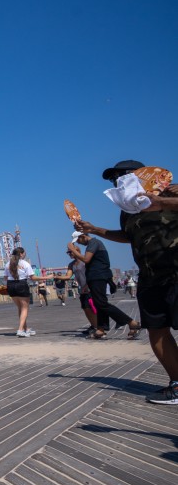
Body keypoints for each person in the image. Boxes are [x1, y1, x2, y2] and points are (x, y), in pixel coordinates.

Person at [75, 159, 178, 404]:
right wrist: (95, 229)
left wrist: (161, 201)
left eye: (122, 177)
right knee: (156, 329)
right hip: (150, 277)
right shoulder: (127, 210)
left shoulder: (171, 190)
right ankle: (176, 383)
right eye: (114, 180)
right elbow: (128, 236)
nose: (117, 183)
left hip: (176, 271)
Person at [69, 232, 140, 340]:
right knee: (99, 303)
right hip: (95, 276)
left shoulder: (94, 242)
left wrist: (73, 249)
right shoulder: (92, 244)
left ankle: (131, 322)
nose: (78, 243)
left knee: (101, 303)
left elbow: (86, 259)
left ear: (82, 236)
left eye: (78, 240)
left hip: (98, 276)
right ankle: (101, 329)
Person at [4, 247, 52, 337]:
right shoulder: (25, 263)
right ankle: (20, 330)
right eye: (24, 253)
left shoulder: (8, 264)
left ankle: (25, 329)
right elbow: (33, 278)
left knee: (20, 308)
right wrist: (47, 277)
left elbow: (5, 278)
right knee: (25, 308)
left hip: (10, 285)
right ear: (21, 254)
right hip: (21, 284)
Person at [56, 242, 97, 335]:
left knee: (92, 308)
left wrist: (88, 285)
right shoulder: (71, 264)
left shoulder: (85, 261)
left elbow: (92, 273)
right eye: (68, 253)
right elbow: (68, 276)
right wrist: (56, 276)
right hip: (83, 289)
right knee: (85, 308)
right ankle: (93, 325)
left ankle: (98, 326)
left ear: (77, 251)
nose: (69, 254)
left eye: (70, 252)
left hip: (91, 287)